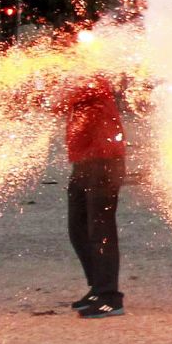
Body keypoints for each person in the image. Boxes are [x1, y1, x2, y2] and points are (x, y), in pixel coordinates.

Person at [56, 73, 127, 318]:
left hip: (104, 161)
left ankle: (110, 297)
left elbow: (60, 100)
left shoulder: (91, 76)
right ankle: (97, 288)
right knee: (78, 228)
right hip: (84, 161)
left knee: (100, 230)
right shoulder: (77, 75)